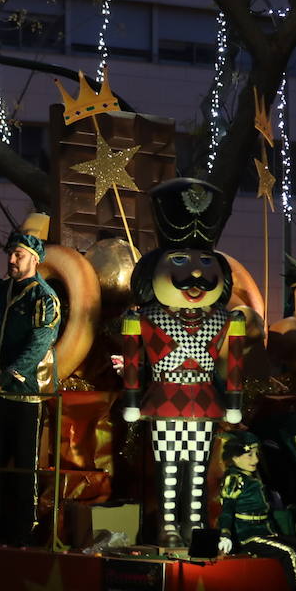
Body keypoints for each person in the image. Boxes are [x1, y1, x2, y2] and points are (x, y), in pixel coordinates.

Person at [122, 178, 243, 548]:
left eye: (206, 261)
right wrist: (130, 402)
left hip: (204, 399)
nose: (195, 273)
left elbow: (234, 365)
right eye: (179, 260)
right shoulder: (142, 318)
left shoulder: (226, 320)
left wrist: (235, 403)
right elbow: (132, 362)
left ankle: (195, 522)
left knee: (199, 466)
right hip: (164, 397)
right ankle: (169, 525)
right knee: (170, 467)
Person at [0, 213, 61, 548]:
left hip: (25, 393)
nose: (10, 259)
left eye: (18, 254)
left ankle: (25, 528)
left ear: (34, 259)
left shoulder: (44, 297)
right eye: (10, 253)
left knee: (24, 466)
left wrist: (5, 379)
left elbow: (39, 344)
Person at [217, 431, 296, 591]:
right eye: (249, 455)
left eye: (256, 454)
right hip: (248, 536)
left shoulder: (252, 479)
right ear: (235, 458)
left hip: (265, 532)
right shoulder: (235, 479)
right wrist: (225, 534)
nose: (255, 459)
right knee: (289, 553)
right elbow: (227, 510)